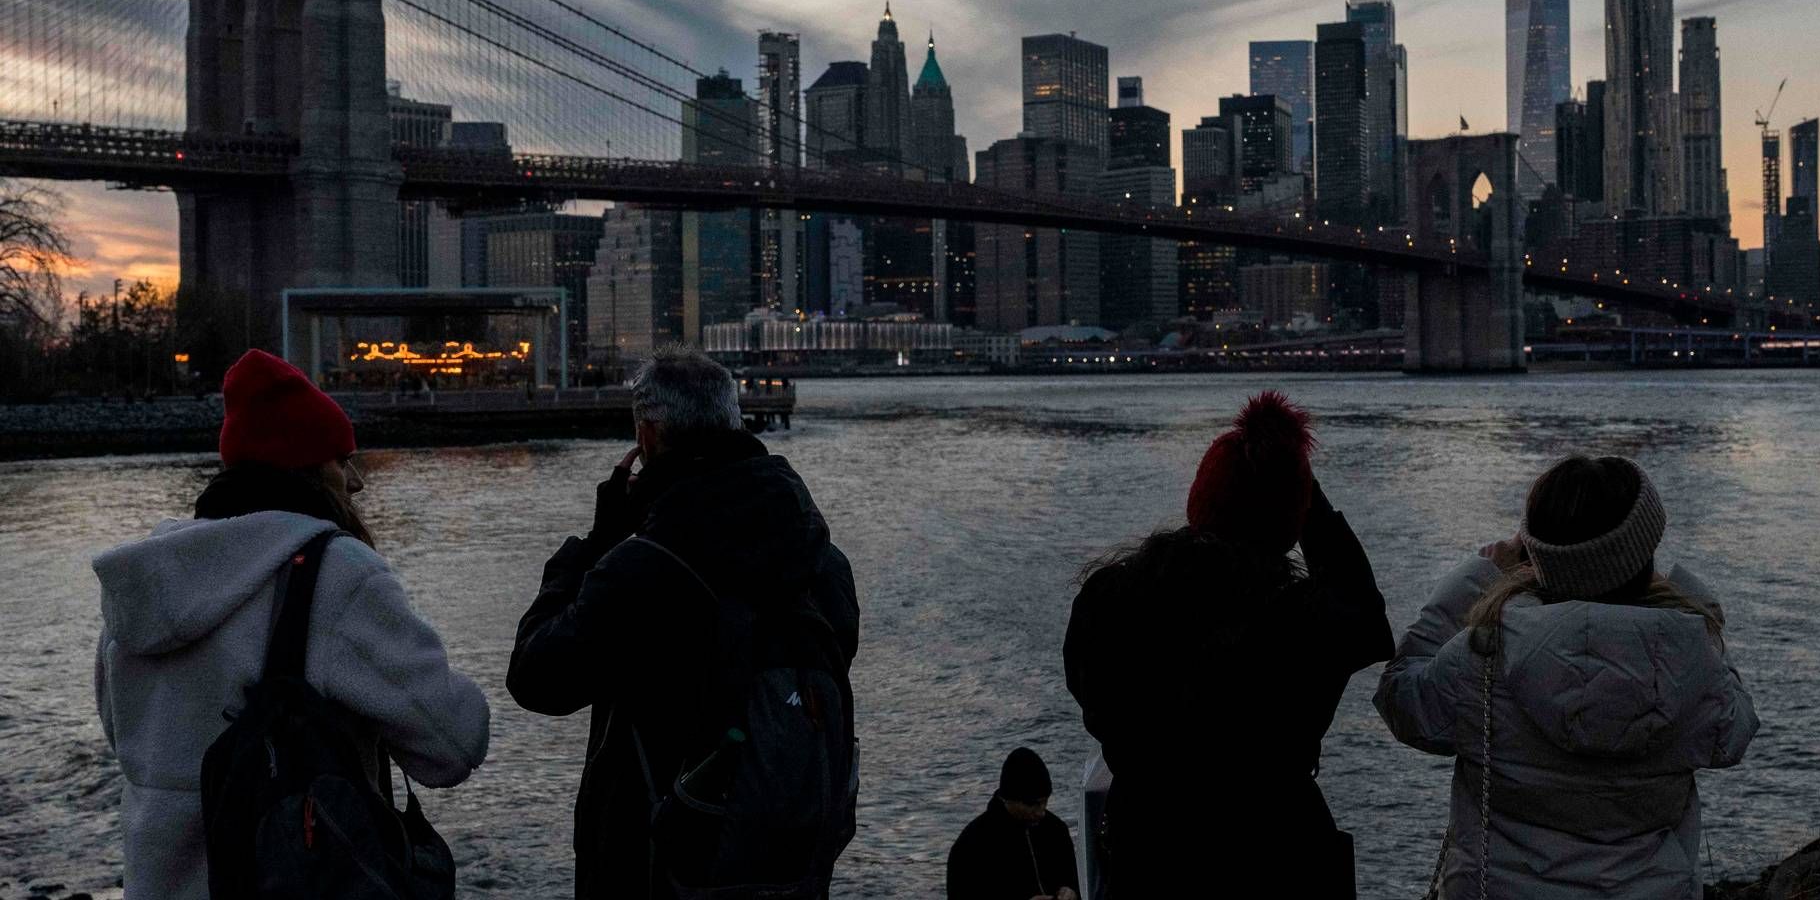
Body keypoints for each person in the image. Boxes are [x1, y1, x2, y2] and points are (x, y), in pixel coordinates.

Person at [92, 348, 491, 899]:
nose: (356, 481)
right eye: (341, 459)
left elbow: (122, 735)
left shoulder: (143, 580)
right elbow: (454, 745)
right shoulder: (337, 574)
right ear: (308, 468)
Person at [508, 344, 859, 898]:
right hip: (789, 869)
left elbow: (536, 678)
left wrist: (595, 545)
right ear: (736, 421)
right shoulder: (822, 560)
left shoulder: (645, 565)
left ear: (647, 437)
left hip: (656, 865)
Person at [1373, 455, 1760, 899]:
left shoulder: (1481, 656)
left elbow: (1400, 696)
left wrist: (1479, 577)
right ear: (1645, 550)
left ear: (1536, 556)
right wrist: (1696, 610)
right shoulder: (1693, 664)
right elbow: (1736, 732)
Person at [1062, 392, 1392, 897]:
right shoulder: (1299, 622)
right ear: (1290, 524)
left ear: (1200, 500)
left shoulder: (1108, 605)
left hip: (1149, 855)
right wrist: (1299, 490)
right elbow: (1364, 612)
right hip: (1277, 858)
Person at [946, 747, 1081, 900]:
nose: (1041, 812)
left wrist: (1072, 892)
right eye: (1033, 804)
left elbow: (1073, 880)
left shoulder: (1056, 830)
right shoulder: (971, 845)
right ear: (1008, 800)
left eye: (1045, 802)